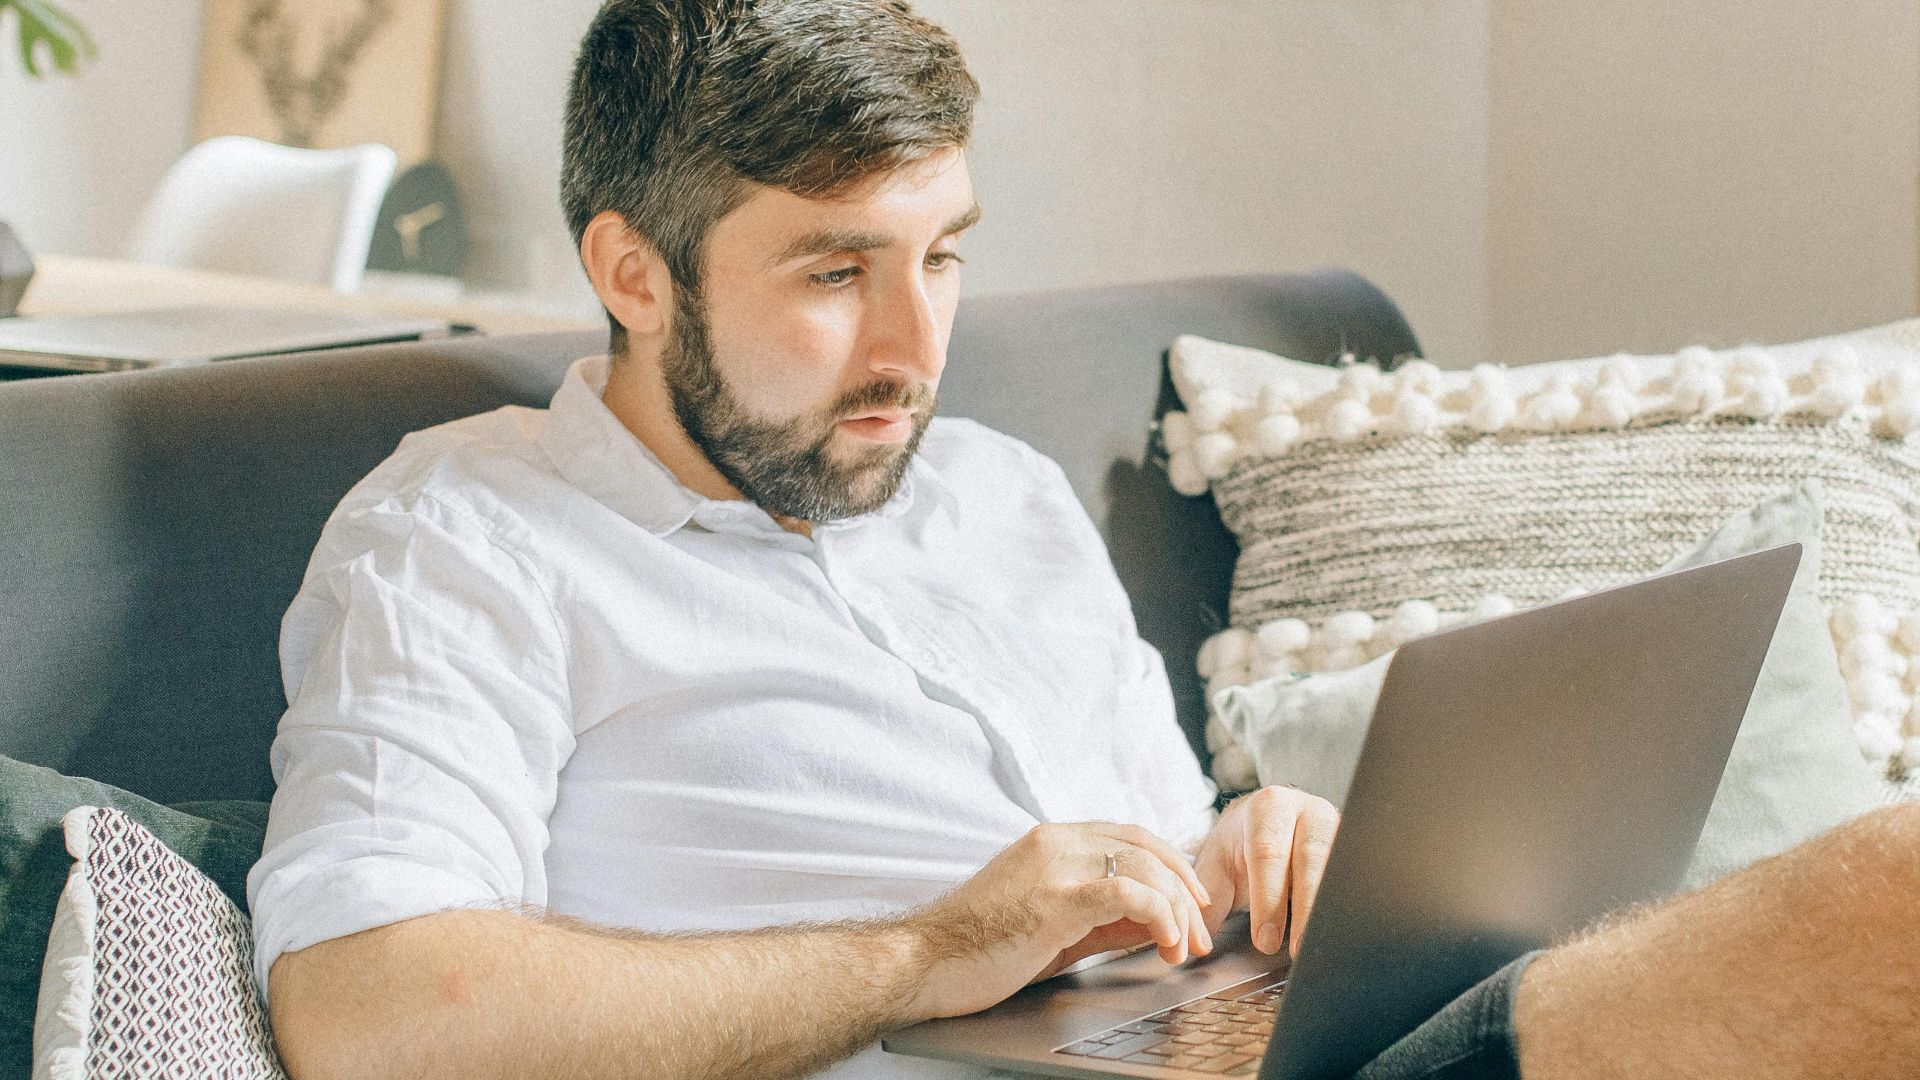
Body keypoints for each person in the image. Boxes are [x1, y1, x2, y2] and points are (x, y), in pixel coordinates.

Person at [253, 3, 1920, 1079]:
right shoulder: (466, 536)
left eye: (945, 256)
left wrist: (1244, 850)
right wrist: (927, 954)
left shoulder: (992, 493)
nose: (914, 345)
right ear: (632, 271)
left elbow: (1151, 870)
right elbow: (366, 1013)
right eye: (835, 274)